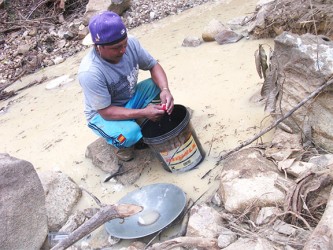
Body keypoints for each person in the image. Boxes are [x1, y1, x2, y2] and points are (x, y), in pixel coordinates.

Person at [78, 11, 174, 162]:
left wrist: (165, 90)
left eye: (124, 44)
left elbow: (153, 66)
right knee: (130, 134)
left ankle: (140, 119)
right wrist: (143, 112)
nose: (123, 50)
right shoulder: (90, 72)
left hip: (129, 98)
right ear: (99, 47)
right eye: (116, 48)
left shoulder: (132, 44)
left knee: (156, 86)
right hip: (102, 115)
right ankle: (121, 145)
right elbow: (105, 112)